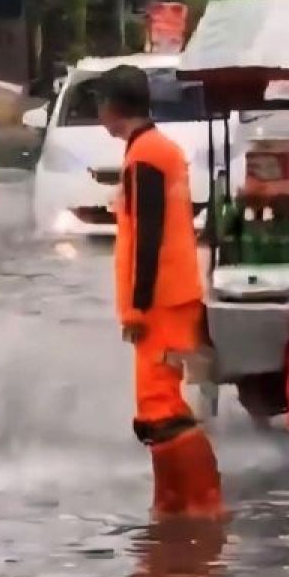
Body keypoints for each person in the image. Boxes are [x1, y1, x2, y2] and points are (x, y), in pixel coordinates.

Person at [97, 65, 223, 521]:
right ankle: (172, 501)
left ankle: (202, 500)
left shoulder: (147, 156)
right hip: (171, 298)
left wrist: (138, 306)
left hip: (161, 303)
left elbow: (147, 238)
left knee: (160, 404)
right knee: (157, 402)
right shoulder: (155, 151)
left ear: (113, 108)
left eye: (100, 105)